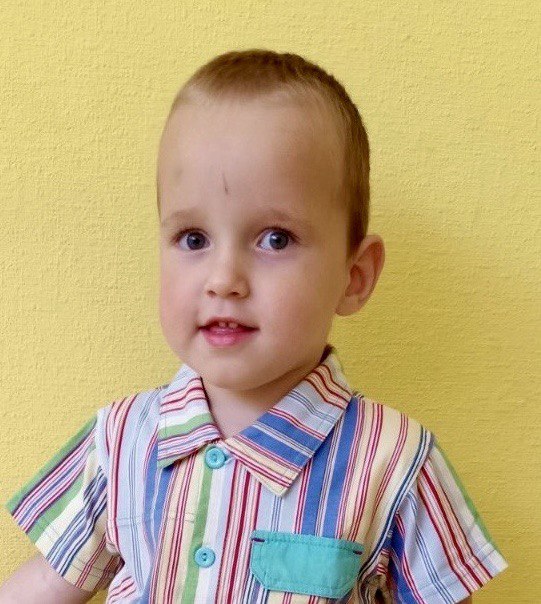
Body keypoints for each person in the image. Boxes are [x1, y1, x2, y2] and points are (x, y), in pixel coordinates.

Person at [0, 49, 508, 604]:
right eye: (193, 239)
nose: (224, 279)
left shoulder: (395, 460)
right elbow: (51, 582)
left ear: (354, 276)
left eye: (275, 239)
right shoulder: (120, 440)